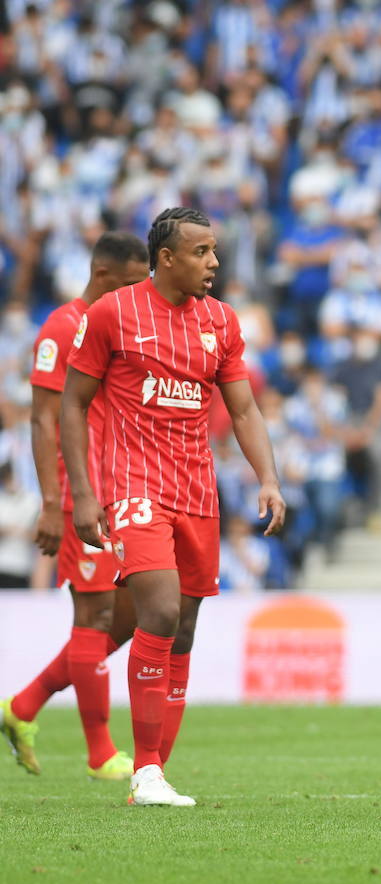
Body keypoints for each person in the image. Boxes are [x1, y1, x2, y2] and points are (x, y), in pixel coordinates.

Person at [61, 208, 286, 807]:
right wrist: (82, 493)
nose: (214, 262)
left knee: (183, 627)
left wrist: (268, 478)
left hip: (197, 492)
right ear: (167, 258)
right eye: (201, 252)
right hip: (134, 486)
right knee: (158, 610)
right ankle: (145, 772)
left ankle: (155, 770)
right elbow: (72, 403)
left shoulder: (220, 320)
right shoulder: (113, 313)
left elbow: (243, 409)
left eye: (215, 251)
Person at [1, 232, 148, 781]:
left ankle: (22, 707)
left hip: (120, 489)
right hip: (77, 492)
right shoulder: (63, 328)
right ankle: (100, 753)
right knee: (95, 616)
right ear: (103, 275)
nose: (137, 293)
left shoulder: (120, 325)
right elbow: (43, 420)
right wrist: (51, 503)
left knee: (137, 615)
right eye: (130, 283)